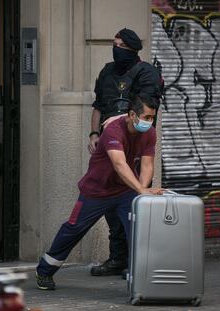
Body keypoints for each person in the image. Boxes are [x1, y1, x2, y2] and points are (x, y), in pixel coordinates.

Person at [36, 95, 163, 290]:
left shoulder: (149, 133)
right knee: (73, 229)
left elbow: (147, 165)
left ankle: (143, 280)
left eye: (152, 118)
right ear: (132, 115)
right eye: (146, 117)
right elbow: (119, 164)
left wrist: (141, 194)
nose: (149, 122)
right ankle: (44, 271)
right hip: (96, 191)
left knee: (139, 232)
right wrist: (141, 189)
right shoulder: (114, 130)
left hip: (125, 191)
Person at [88, 28, 163, 276]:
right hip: (111, 149)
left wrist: (118, 120)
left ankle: (137, 261)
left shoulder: (147, 73)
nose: (115, 48)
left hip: (137, 148)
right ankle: (118, 259)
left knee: (135, 205)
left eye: (120, 45)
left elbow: (146, 108)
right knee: (112, 208)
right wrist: (94, 135)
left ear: (131, 49)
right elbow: (98, 106)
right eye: (114, 43)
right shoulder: (106, 71)